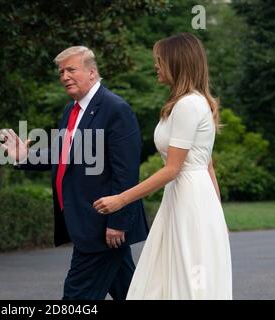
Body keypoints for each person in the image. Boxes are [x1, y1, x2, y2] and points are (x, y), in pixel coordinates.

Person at [0, 46, 148, 299]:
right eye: (61, 72)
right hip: (86, 222)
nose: (65, 76)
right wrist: (24, 156)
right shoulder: (72, 110)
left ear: (92, 72)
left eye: (71, 69)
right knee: (130, 293)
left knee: (76, 296)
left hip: (101, 226)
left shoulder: (115, 109)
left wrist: (117, 222)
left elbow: (126, 172)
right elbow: (62, 156)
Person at [93, 33, 232, 300]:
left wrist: (121, 199)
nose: (155, 66)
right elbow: (209, 165)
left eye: (159, 60)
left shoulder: (189, 105)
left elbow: (173, 169)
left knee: (187, 278)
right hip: (189, 198)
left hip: (189, 199)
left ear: (177, 62)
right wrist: (217, 212)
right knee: (169, 275)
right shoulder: (187, 103)